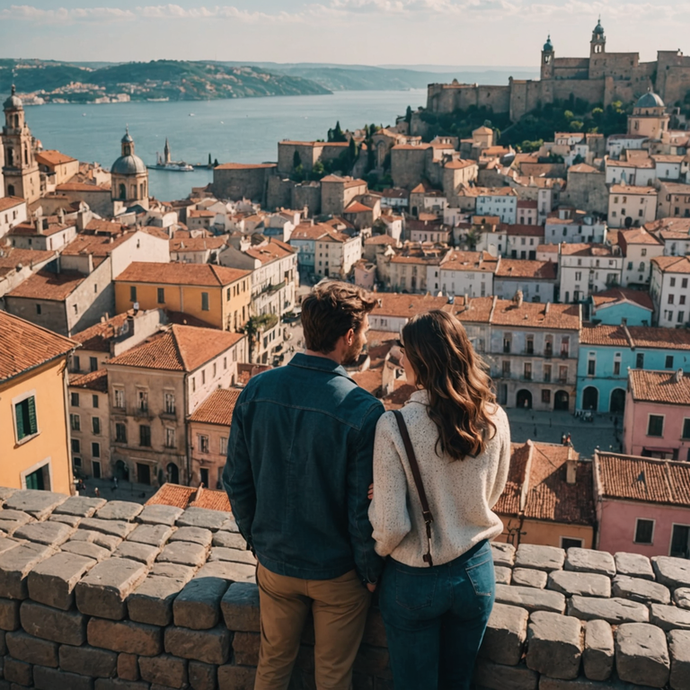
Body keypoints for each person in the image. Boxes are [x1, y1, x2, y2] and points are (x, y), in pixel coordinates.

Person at [224, 280, 384, 690]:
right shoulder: (364, 410)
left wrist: (258, 542)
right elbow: (359, 508)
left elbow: (236, 482)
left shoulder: (256, 390)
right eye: (363, 332)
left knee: (273, 668)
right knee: (332, 678)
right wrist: (369, 572)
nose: (364, 339)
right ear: (348, 336)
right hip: (337, 574)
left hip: (276, 564)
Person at [369, 310, 511, 690]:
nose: (399, 358)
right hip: (476, 571)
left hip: (415, 575)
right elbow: (493, 492)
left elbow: (391, 525)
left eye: (405, 351)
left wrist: (377, 548)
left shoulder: (394, 425)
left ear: (422, 359)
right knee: (458, 683)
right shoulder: (495, 417)